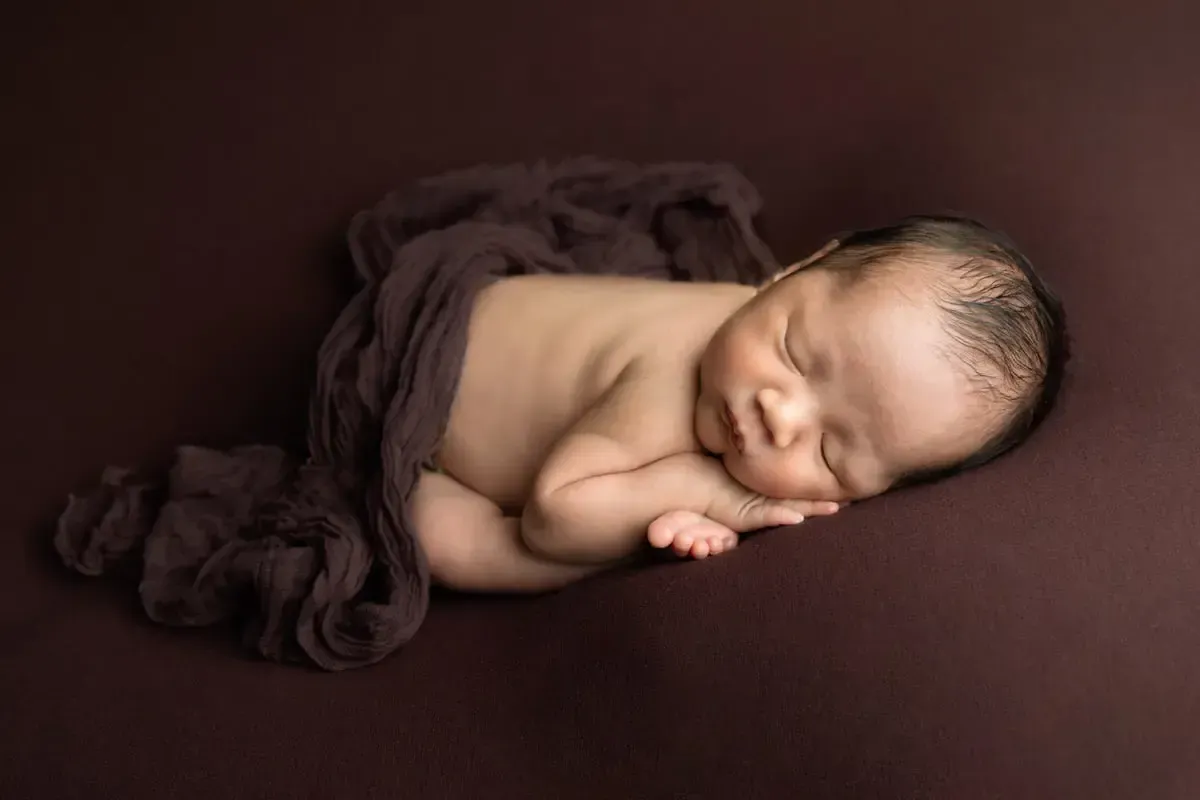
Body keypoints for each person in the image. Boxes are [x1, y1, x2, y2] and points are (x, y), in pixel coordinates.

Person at [412, 215, 1069, 593]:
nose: (780, 415)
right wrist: (707, 493)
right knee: (469, 548)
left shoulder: (743, 318)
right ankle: (414, 488)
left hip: (493, 318)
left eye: (829, 451)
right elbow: (554, 514)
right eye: (794, 352)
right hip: (421, 388)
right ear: (794, 270)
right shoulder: (668, 383)